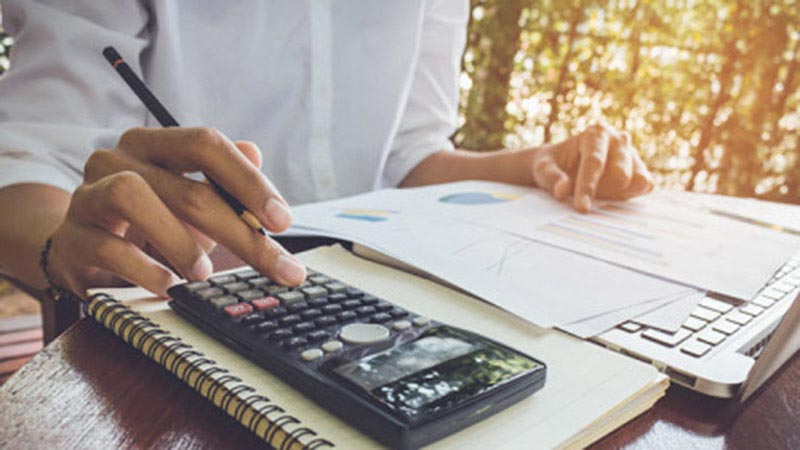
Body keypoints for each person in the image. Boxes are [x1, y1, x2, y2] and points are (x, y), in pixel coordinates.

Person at [0, 1, 653, 300]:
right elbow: (28, 159)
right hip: (176, 312)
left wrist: (527, 164)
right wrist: (65, 244)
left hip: (381, 298)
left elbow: (409, 155)